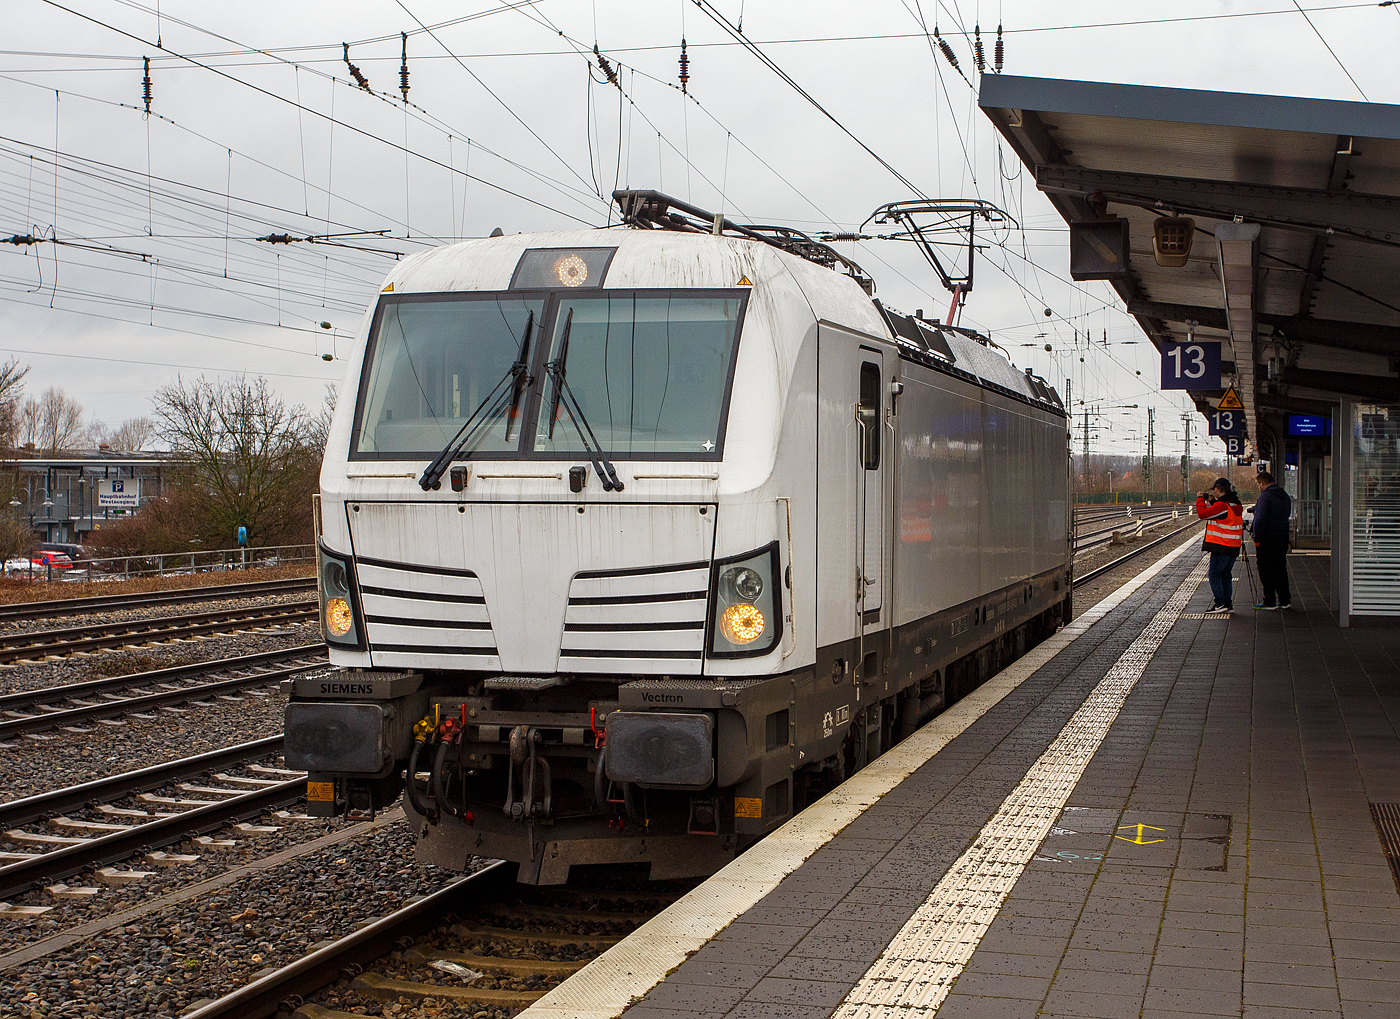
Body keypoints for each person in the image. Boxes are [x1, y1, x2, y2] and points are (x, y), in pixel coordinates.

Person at [1196, 478, 1244, 613]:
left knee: (1214, 575)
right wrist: (1213, 502)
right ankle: (1228, 604)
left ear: (1219, 489)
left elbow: (1203, 514)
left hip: (1222, 546)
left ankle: (1220, 603)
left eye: (1215, 490)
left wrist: (1200, 499)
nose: (1214, 492)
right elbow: (1223, 516)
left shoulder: (1222, 505)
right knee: (1226, 575)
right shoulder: (1234, 504)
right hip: (1233, 547)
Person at [1251, 471, 1292, 609]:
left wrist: (1256, 537)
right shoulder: (1284, 495)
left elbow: (1260, 519)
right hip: (1282, 536)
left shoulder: (1265, 496)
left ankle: (1269, 601)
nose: (1259, 487)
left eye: (1258, 484)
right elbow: (1287, 513)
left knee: (1266, 569)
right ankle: (1285, 600)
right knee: (1280, 568)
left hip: (1267, 538)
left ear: (1262, 483)